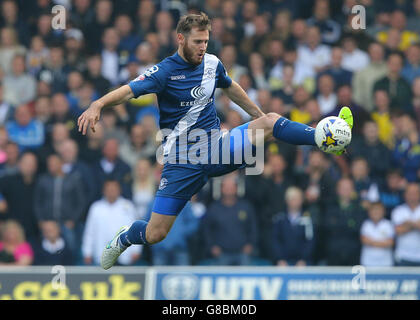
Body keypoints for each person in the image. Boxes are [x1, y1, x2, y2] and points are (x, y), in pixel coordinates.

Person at [77, 12, 353, 270]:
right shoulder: (163, 72)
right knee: (155, 233)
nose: (202, 47)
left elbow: (230, 86)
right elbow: (127, 92)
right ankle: (125, 238)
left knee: (271, 121)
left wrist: (259, 117)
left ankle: (321, 136)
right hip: (182, 162)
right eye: (197, 42)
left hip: (216, 148)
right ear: (180, 39)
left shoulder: (212, 63)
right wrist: (97, 105)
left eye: (206, 41)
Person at [82, 179, 142, 266]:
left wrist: (136, 250)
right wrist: (87, 252)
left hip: (124, 255)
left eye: (113, 189)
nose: (111, 192)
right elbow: (90, 232)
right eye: (109, 190)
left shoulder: (128, 206)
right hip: (101, 254)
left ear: (119, 190)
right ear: (104, 191)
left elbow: (135, 229)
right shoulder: (96, 207)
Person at [391, 183, 420, 266]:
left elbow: (403, 227)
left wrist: (408, 223)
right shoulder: (398, 211)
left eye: (415, 193)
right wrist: (416, 224)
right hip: (402, 256)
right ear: (405, 195)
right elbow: (398, 230)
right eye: (410, 193)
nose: (412, 196)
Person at [360, 202, 394, 267]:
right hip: (368, 262)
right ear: (369, 212)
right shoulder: (366, 224)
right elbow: (364, 240)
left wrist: (371, 242)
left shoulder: (388, 224)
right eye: (373, 210)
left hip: (385, 263)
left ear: (383, 212)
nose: (376, 212)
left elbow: (390, 243)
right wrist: (382, 242)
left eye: (378, 210)